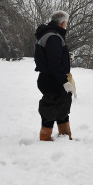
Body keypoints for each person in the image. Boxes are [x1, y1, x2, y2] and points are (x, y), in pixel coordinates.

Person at [34, 10, 75, 140]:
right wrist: (64, 81)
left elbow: (51, 57)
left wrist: (65, 57)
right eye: (66, 23)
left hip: (49, 77)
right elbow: (54, 63)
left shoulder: (49, 35)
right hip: (52, 79)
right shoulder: (54, 37)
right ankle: (45, 138)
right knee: (50, 110)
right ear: (63, 23)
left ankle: (65, 136)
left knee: (63, 106)